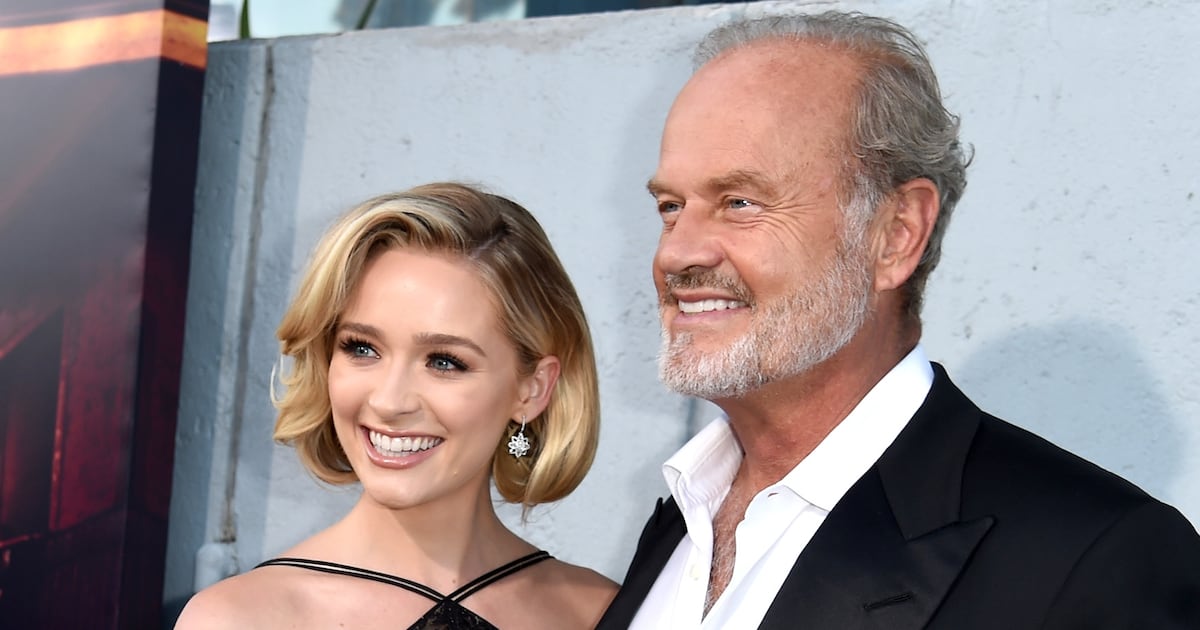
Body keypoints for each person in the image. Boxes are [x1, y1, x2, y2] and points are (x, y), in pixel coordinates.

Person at [598, 11, 1200, 629]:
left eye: (740, 202)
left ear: (896, 235)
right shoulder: (684, 518)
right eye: (671, 207)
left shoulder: (1093, 558)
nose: (676, 253)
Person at [176, 183, 617, 629]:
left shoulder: (601, 613)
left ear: (532, 389)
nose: (389, 401)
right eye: (362, 348)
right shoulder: (238, 618)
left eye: (444, 362)